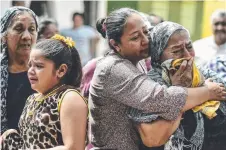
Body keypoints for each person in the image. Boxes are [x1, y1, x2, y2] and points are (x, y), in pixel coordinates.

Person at [88, 8, 226, 150]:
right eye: (135, 37)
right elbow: (162, 99)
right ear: (116, 44)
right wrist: (208, 91)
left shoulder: (138, 61)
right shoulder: (114, 68)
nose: (146, 40)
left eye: (146, 32)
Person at [128, 21, 226, 150]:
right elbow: (154, 138)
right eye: (176, 51)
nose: (187, 55)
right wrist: (180, 91)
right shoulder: (148, 88)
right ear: (158, 56)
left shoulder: (208, 77)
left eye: (189, 46)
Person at [1, 34, 88, 150]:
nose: (31, 71)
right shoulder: (32, 98)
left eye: (38, 66)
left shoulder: (70, 98)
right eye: (30, 65)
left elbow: (73, 148)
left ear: (61, 70)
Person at [0, 6, 38, 133]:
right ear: (4, 36)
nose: (27, 36)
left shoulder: (48, 72)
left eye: (32, 29)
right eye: (18, 29)